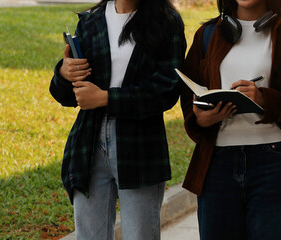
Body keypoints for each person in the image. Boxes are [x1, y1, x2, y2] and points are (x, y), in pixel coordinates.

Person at [178, 0, 281, 238]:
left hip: (274, 165)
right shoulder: (207, 34)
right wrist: (201, 119)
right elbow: (188, 95)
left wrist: (263, 99)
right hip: (216, 167)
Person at [48, 0, 186, 238]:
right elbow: (69, 96)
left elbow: (168, 89)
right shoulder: (91, 21)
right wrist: (64, 72)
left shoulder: (166, 21)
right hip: (88, 143)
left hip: (141, 145)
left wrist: (106, 98)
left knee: (140, 235)